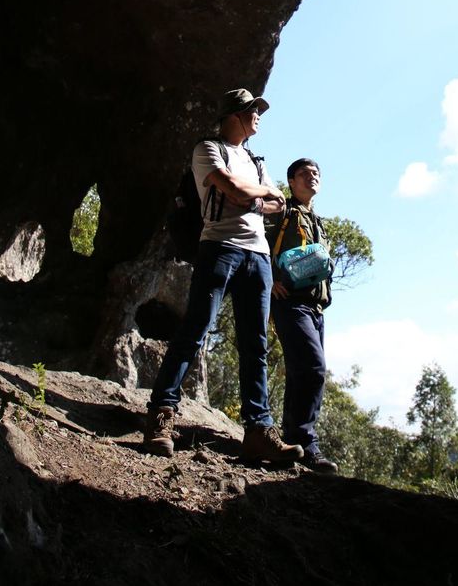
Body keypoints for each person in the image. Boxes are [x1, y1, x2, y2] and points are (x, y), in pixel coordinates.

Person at [144, 88, 304, 465]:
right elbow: (231, 188)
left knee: (255, 345)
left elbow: (277, 204)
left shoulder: (256, 160)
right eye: (253, 110)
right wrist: (257, 195)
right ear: (235, 114)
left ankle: (258, 432)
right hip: (220, 248)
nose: (259, 116)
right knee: (195, 330)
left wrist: (253, 195)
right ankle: (160, 417)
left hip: (259, 257)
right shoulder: (207, 150)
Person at [267, 158, 339, 474]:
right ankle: (306, 443)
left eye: (316, 174)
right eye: (304, 174)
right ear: (291, 181)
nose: (312, 177)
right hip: (290, 303)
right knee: (313, 369)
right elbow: (255, 241)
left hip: (316, 308)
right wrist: (269, 281)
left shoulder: (317, 221)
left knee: (302, 373)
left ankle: (291, 443)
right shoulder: (281, 211)